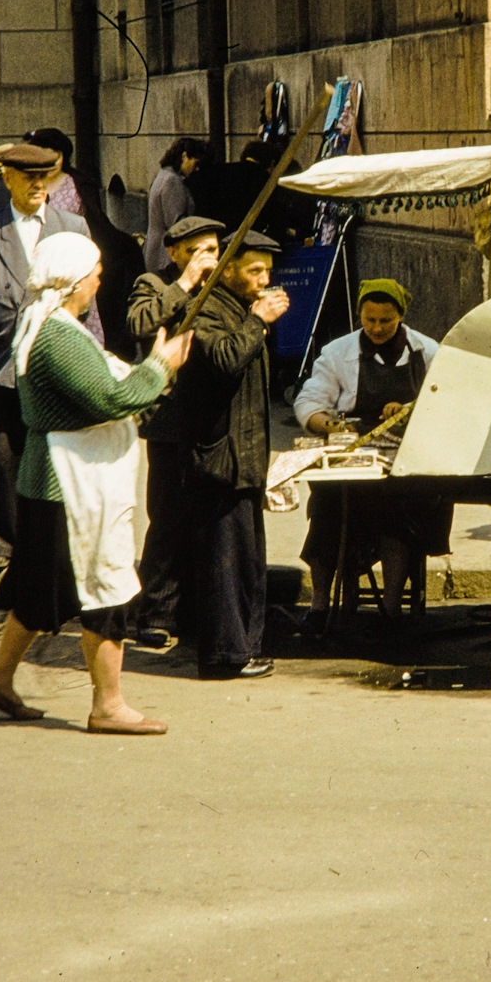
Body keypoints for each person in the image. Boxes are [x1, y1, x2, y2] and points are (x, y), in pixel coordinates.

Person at [0, 232, 190, 733]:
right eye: (93, 272)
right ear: (71, 282)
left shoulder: (46, 323)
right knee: (104, 588)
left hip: (54, 482)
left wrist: (151, 371)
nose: (98, 278)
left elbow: (106, 384)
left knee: (37, 590)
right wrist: (161, 365)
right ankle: (108, 705)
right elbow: (112, 398)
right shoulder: (56, 336)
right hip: (71, 485)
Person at [0, 142, 88, 584]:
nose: (36, 185)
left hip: (53, 362)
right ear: (6, 178)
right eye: (27, 177)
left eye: (44, 177)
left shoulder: (72, 227)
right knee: (4, 451)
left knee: (54, 451)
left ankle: (49, 543)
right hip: (1, 362)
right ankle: (0, 545)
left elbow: (84, 298)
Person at [293, 279, 451, 631]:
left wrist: (411, 409)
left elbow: (446, 401)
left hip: (406, 457)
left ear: (401, 317)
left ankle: (391, 610)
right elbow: (309, 401)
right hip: (354, 451)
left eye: (386, 321)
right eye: (369, 320)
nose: (377, 328)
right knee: (327, 512)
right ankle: (320, 605)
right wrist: (329, 424)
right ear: (360, 316)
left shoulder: (427, 351)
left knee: (398, 517)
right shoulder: (337, 353)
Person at [176, 230, 290, 678]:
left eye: (268, 271)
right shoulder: (204, 306)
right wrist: (259, 321)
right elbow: (225, 359)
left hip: (243, 458)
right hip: (219, 457)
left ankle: (242, 647)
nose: (264, 280)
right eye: (254, 270)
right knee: (223, 563)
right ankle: (225, 655)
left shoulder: (238, 309)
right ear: (228, 270)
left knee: (245, 561)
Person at [125, 214, 225, 650]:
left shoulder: (223, 285)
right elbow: (139, 324)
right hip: (169, 419)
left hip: (213, 418)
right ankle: (157, 611)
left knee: (209, 516)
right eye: (198, 251)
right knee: (166, 518)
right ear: (175, 253)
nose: (209, 259)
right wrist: (185, 283)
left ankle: (201, 609)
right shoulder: (153, 282)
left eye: (215, 251)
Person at [25, 126, 146, 356]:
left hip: (75, 260)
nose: (52, 163)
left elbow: (96, 222)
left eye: (57, 156)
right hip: (39, 260)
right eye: (46, 156)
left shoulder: (77, 183)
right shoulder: (30, 184)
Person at [143, 136, 210, 273]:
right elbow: (176, 223)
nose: (196, 169)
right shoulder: (172, 181)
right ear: (184, 156)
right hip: (165, 254)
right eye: (195, 163)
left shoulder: (162, 175)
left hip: (156, 248)